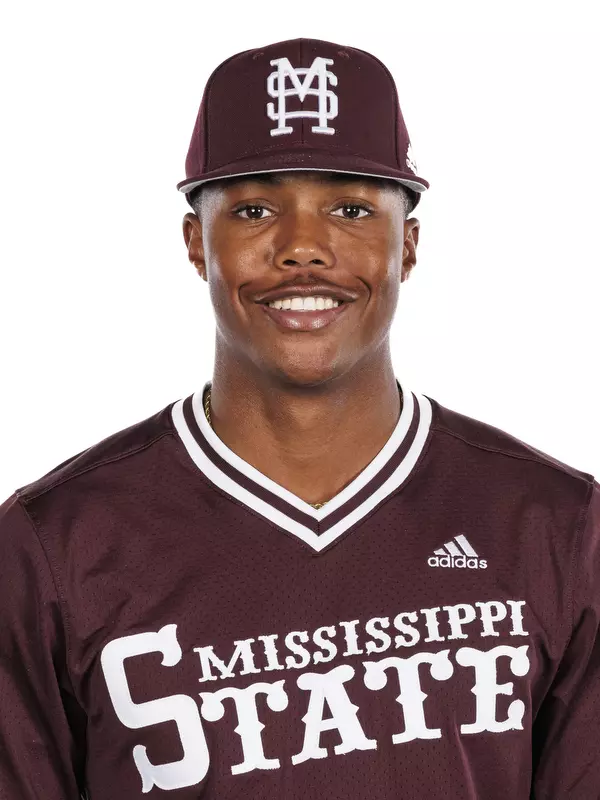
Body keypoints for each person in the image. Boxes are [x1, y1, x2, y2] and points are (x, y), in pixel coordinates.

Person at [0, 36, 598, 800]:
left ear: (408, 243)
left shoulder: (556, 527)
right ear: (196, 243)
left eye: (349, 208)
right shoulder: (51, 548)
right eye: (254, 209)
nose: (303, 248)